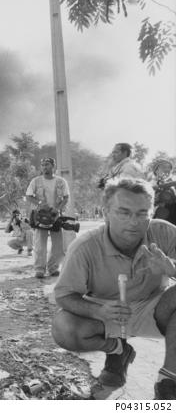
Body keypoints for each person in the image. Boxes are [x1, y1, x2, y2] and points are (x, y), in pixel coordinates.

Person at [52, 178, 176, 399]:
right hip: (106, 313)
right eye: (124, 212)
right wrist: (97, 311)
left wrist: (172, 268)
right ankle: (119, 351)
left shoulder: (165, 233)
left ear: (151, 212)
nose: (134, 222)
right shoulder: (84, 248)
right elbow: (63, 295)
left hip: (154, 309)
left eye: (142, 213)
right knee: (64, 327)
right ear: (105, 212)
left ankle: (169, 383)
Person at [26, 157, 70, 278]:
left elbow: (66, 198)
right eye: (43, 165)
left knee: (58, 245)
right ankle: (39, 269)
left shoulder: (61, 181)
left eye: (47, 165)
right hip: (41, 216)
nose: (45, 167)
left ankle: (53, 268)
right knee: (40, 244)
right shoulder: (36, 181)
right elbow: (29, 196)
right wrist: (39, 204)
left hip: (55, 216)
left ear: (53, 166)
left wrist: (58, 208)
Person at [151, 159, 176, 226]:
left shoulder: (173, 183)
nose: (167, 169)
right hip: (157, 218)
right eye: (164, 167)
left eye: (169, 168)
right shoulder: (151, 184)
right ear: (156, 170)